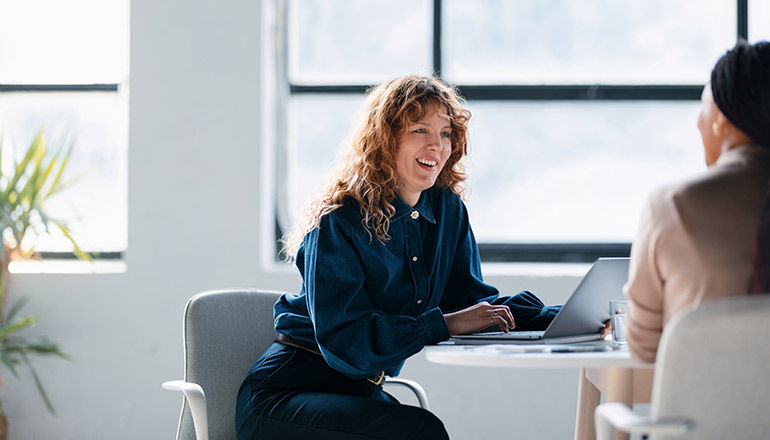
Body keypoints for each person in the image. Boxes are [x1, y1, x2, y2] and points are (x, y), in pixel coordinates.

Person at [235, 75, 561, 439]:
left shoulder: (447, 212)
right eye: (420, 130)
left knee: (417, 431)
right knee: (418, 431)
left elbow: (475, 308)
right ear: (385, 140)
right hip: (287, 393)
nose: (436, 145)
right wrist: (442, 325)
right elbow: (346, 342)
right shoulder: (338, 222)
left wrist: (565, 319)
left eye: (446, 133)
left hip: (357, 390)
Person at [624, 40, 770, 363]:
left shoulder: (671, 205)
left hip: (707, 413)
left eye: (703, 104)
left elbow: (644, 348)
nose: (697, 121)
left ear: (721, 118)